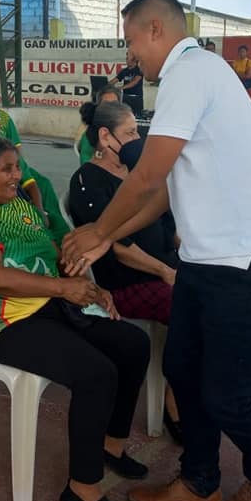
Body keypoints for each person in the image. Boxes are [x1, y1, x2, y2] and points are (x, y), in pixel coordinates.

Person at [62, 0, 251, 501]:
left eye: (131, 41)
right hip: (204, 261)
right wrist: (108, 238)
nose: (130, 55)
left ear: (156, 30)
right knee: (184, 372)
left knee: (228, 394)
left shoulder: (190, 73)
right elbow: (167, 190)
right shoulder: (194, 76)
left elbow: (145, 176)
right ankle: (199, 480)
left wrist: (99, 228)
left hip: (245, 262)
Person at [0, 134, 150, 501]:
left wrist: (90, 286)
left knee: (134, 344)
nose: (17, 175)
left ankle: (111, 444)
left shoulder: (19, 204)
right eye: (6, 169)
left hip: (46, 306)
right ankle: (82, 489)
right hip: (2, 323)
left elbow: (53, 253)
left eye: (17, 167)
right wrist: (64, 289)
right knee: (96, 374)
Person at [69, 99, 185, 443]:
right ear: (105, 137)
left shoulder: (139, 175)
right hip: (126, 281)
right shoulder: (87, 180)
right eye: (130, 133)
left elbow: (167, 221)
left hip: (165, 266)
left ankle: (187, 382)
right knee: (190, 307)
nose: (137, 140)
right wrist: (164, 271)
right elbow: (116, 245)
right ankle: (174, 398)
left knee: (214, 289)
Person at [77, 87, 121, 165]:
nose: (110, 107)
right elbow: (85, 157)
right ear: (99, 106)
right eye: (106, 103)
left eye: (114, 103)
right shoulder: (91, 131)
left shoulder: (127, 126)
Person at [109, 51, 144, 118]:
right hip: (125, 98)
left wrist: (121, 88)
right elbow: (114, 80)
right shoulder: (124, 71)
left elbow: (134, 82)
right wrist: (106, 85)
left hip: (136, 98)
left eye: (128, 59)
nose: (126, 60)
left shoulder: (139, 70)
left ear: (134, 60)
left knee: (136, 118)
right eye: (126, 59)